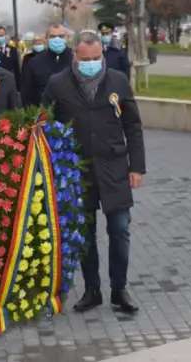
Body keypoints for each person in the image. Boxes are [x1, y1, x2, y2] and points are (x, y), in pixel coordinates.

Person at [42, 31, 146, 314]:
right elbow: (45, 124)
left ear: (103, 55)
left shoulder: (118, 80)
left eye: (96, 58)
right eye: (85, 59)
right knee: (85, 234)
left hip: (114, 167)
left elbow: (133, 126)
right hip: (77, 171)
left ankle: (119, 289)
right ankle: (92, 290)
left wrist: (136, 167)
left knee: (120, 229)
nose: (91, 63)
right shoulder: (58, 83)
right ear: (75, 56)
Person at [21, 23, 72, 107]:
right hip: (43, 115)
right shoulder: (34, 63)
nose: (57, 39)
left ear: (67, 38)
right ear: (46, 39)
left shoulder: (76, 60)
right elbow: (27, 94)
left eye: (61, 36)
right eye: (52, 36)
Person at [0, 25, 20, 91]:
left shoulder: (13, 50)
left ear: (5, 36)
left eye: (1, 35)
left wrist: (18, 88)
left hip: (9, 82)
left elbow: (17, 69)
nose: (0, 38)